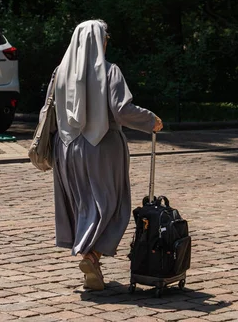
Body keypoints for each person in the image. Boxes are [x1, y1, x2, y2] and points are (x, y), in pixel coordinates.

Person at [50, 19, 163, 291]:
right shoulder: (110, 71)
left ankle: (92, 263)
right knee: (112, 205)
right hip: (102, 148)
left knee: (82, 204)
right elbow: (122, 110)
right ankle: (92, 255)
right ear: (99, 40)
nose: (107, 41)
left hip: (66, 149)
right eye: (106, 36)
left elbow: (49, 112)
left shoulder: (59, 72)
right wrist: (151, 121)